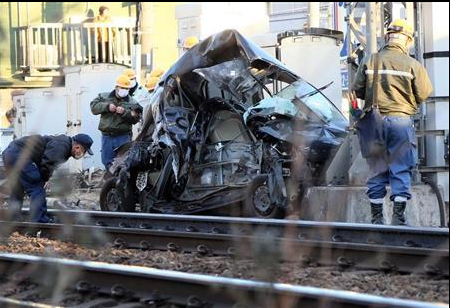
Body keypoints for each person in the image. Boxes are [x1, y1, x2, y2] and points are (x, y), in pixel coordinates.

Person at [352, 19, 433, 225]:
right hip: (400, 121)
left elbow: (358, 89)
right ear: (406, 39)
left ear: (388, 37)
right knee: (400, 167)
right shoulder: (413, 65)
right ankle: (398, 218)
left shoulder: (371, 60)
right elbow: (424, 93)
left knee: (377, 168)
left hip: (373, 123)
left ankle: (377, 219)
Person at [2, 133, 93, 223]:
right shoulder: (62, 146)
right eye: (84, 151)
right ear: (78, 147)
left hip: (10, 153)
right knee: (37, 187)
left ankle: (13, 218)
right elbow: (48, 163)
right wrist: (44, 179)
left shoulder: (63, 143)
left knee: (18, 188)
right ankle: (39, 220)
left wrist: (45, 177)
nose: (83, 154)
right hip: (18, 154)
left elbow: (45, 160)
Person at [90, 74, 142, 172]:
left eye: (127, 88)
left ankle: (120, 182)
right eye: (122, 88)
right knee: (106, 161)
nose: (125, 90)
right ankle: (111, 181)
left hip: (123, 136)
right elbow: (93, 107)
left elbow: (136, 118)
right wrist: (106, 107)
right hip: (107, 136)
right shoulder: (104, 96)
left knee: (123, 161)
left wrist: (124, 112)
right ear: (116, 87)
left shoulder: (133, 102)